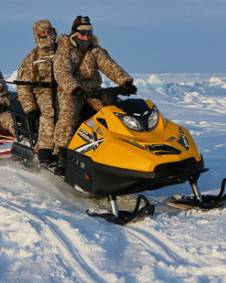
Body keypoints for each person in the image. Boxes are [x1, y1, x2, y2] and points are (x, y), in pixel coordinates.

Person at [53, 15, 137, 175]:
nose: (86, 36)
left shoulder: (95, 50)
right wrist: (74, 88)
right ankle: (62, 156)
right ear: (74, 33)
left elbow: (110, 66)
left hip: (93, 92)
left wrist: (125, 81)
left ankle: (122, 152)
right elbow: (62, 72)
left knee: (115, 115)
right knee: (68, 117)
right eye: (83, 32)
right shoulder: (65, 50)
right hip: (71, 92)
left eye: (89, 32)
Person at [16, 19, 57, 165]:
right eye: (43, 33)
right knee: (50, 110)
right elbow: (23, 86)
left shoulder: (63, 51)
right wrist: (30, 108)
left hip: (65, 90)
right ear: (37, 35)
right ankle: (45, 149)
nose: (47, 35)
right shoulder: (31, 58)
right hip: (43, 93)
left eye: (49, 31)